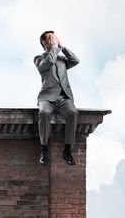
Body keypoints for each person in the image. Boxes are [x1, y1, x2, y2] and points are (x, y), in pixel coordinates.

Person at [34, 30, 80, 165]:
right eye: (50, 38)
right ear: (44, 42)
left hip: (63, 97)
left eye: (54, 38)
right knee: (43, 113)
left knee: (73, 112)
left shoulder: (62, 60)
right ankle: (44, 149)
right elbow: (47, 64)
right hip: (46, 97)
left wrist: (62, 47)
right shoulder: (39, 58)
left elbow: (76, 60)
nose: (53, 40)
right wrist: (54, 48)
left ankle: (67, 150)